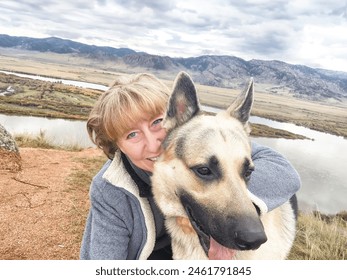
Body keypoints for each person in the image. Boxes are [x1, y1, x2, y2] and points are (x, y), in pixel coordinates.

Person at [80, 73, 301, 260]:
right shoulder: (110, 188)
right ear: (117, 146)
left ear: (175, 116)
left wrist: (240, 202)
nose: (154, 143)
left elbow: (285, 172)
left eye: (157, 122)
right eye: (132, 134)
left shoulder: (207, 142)